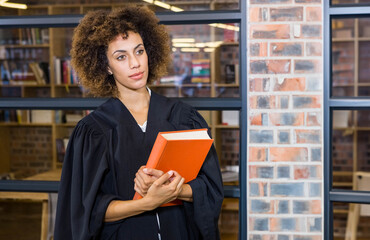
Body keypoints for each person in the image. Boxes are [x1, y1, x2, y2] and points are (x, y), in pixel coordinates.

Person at [54, 5, 224, 240]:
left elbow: (211, 189)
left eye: (139, 51)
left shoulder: (184, 118)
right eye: (121, 56)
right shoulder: (94, 131)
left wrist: (175, 189)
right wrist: (146, 203)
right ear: (106, 66)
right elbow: (86, 212)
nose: (135, 63)